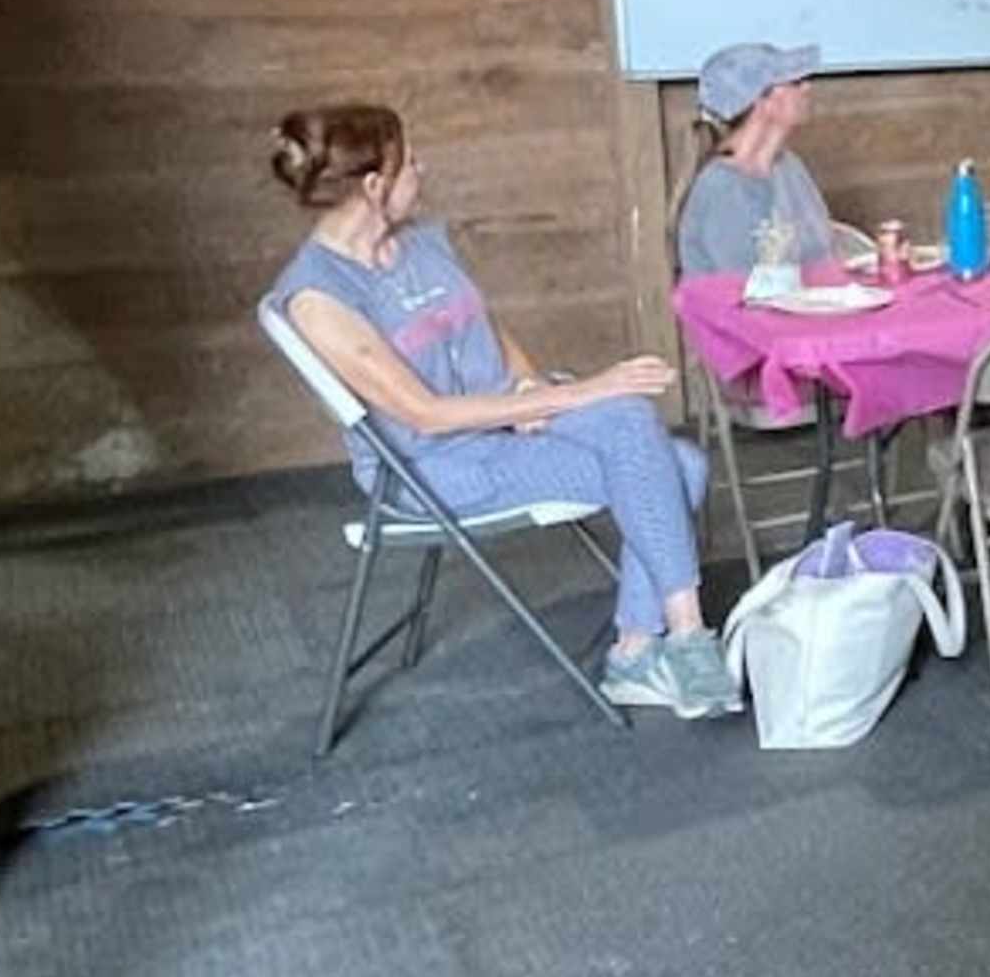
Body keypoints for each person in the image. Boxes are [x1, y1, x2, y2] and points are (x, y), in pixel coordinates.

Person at [263, 99, 738, 718]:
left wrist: (526, 386)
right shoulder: (318, 297)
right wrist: (576, 391)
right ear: (374, 186)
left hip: (507, 418)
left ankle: (655, 645)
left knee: (639, 427)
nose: (422, 171)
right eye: (410, 164)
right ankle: (660, 649)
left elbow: (483, 327)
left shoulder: (421, 243)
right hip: (437, 464)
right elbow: (424, 415)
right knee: (673, 468)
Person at [673, 41, 864, 281]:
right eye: (794, 82)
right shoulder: (721, 189)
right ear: (761, 101)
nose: (807, 87)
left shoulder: (789, 167)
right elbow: (750, 295)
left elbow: (822, 253)